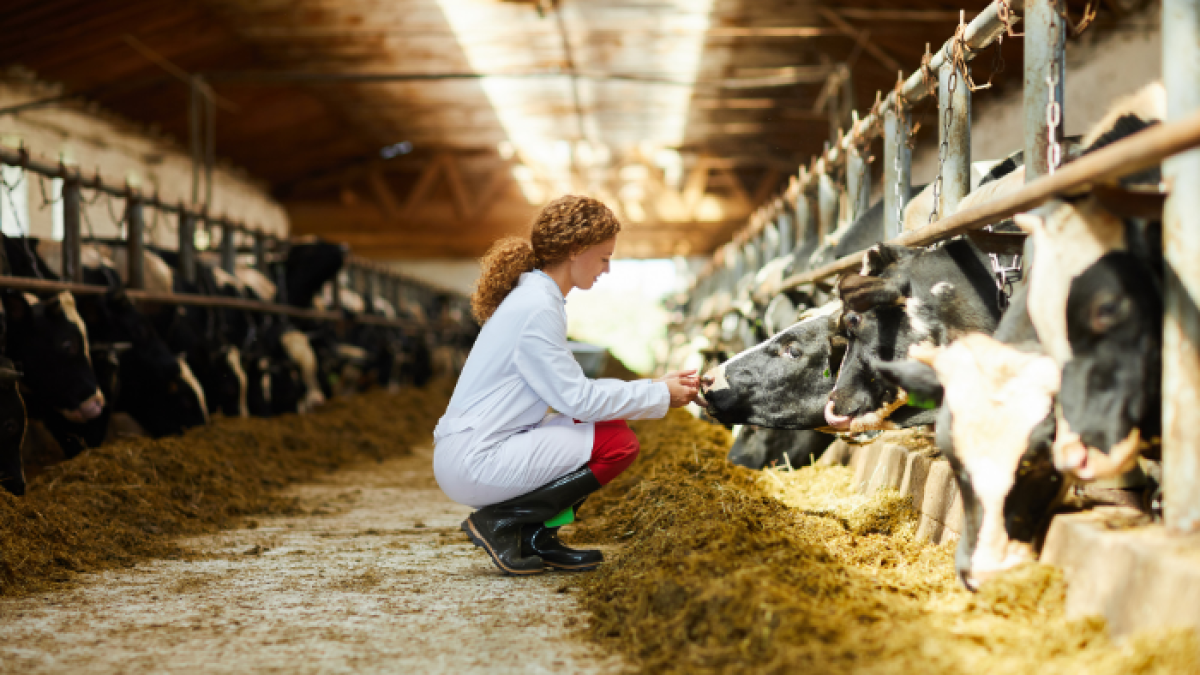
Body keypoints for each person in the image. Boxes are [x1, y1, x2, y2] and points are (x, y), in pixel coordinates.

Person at [433, 195, 699, 576]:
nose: (607, 270)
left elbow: (572, 392)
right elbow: (578, 400)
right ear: (577, 250)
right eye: (605, 257)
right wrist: (660, 393)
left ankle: (537, 537)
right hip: (477, 458)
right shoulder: (537, 307)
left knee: (611, 431)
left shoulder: (538, 299)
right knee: (618, 444)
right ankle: (504, 522)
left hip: (479, 445)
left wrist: (656, 385)